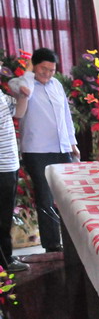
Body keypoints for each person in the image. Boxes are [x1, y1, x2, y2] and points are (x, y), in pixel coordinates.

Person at [11, 48, 79, 253]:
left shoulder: (56, 84)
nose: (48, 74)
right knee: (45, 197)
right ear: (34, 66)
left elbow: (66, 116)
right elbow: (23, 92)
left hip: (61, 148)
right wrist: (29, 72)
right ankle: (52, 245)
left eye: (52, 70)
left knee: (68, 196)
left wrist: (72, 143)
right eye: (43, 69)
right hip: (37, 150)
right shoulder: (20, 83)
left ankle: (73, 241)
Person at [0, 86, 30, 272]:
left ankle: (6, 257)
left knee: (5, 216)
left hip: (9, 163)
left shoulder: (1, 94)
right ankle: (5, 262)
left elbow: (18, 112)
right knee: (2, 217)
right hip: (1, 165)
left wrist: (23, 96)